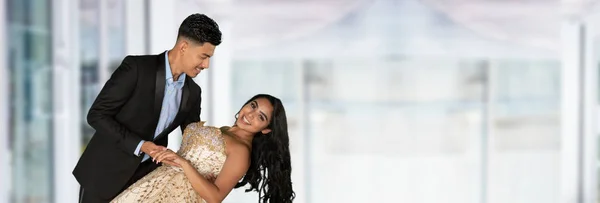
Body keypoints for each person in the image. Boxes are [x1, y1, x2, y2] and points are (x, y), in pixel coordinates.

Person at [73, 13, 222, 203]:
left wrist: (218, 164)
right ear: (184, 47)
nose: (206, 65)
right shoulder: (137, 68)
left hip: (147, 180)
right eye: (204, 56)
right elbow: (97, 115)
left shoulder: (193, 92)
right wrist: (141, 145)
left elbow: (192, 139)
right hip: (104, 173)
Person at [111, 94, 295, 203]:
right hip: (154, 185)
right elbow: (194, 159)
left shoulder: (241, 151)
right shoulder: (225, 131)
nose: (250, 114)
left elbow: (215, 197)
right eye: (252, 106)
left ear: (266, 129)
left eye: (260, 117)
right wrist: (171, 157)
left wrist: (183, 163)